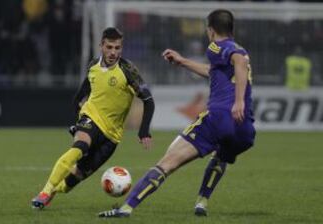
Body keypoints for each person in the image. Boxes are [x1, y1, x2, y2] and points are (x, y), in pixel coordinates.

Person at [98, 9, 255, 218]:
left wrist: (238, 101)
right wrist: (182, 61)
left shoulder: (217, 46)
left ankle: (126, 208)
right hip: (244, 129)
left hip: (220, 117)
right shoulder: (233, 50)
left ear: (210, 30)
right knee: (222, 155)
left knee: (168, 162)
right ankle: (202, 202)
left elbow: (240, 61)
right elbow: (214, 71)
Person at [31, 27, 155, 209]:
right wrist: (78, 121)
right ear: (101, 46)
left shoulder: (128, 71)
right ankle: (45, 192)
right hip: (91, 118)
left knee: (73, 180)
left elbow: (148, 100)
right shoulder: (92, 66)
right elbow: (82, 93)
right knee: (80, 147)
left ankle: (54, 191)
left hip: (112, 137)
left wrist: (144, 130)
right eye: (109, 47)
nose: (113, 52)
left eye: (117, 48)